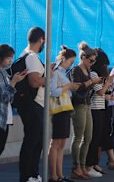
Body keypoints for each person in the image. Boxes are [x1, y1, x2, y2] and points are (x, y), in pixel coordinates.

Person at [0, 44, 26, 182]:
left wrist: (13, 82)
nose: (10, 61)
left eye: (11, 58)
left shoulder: (4, 73)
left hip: (4, 118)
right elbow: (4, 96)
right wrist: (13, 82)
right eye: (8, 58)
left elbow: (10, 98)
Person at [86, 48, 114, 174]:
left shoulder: (100, 76)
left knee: (99, 137)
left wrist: (108, 86)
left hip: (102, 107)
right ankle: (89, 165)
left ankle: (94, 164)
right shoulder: (93, 74)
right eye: (104, 65)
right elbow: (100, 91)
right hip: (94, 109)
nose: (106, 67)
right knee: (94, 138)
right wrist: (108, 83)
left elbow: (105, 92)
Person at [18, 26, 46, 182]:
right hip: (34, 104)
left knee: (35, 141)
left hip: (31, 104)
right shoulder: (32, 57)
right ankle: (29, 175)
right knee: (33, 141)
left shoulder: (25, 55)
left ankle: (32, 174)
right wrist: (48, 77)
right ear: (41, 39)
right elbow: (34, 82)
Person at [69, 42, 101, 179]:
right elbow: (76, 87)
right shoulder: (76, 70)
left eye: (94, 61)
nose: (92, 63)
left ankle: (82, 165)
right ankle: (76, 166)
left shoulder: (87, 70)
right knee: (78, 136)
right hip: (78, 105)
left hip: (87, 104)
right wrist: (91, 82)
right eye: (91, 60)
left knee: (88, 137)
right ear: (83, 57)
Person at [48, 46, 80, 182]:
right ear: (63, 59)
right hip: (58, 110)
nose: (70, 65)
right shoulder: (55, 72)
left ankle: (60, 174)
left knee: (61, 144)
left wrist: (70, 87)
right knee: (56, 143)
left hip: (65, 109)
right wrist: (69, 86)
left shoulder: (62, 73)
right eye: (70, 62)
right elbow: (53, 91)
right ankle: (53, 175)